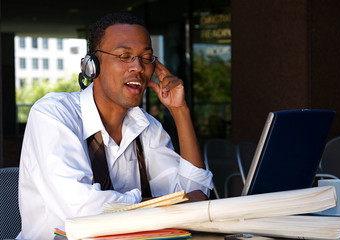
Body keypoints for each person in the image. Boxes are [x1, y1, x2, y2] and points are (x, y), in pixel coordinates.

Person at [17, 12, 213, 240]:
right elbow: (81, 211)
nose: (138, 67)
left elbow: (196, 196)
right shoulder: (53, 115)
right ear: (92, 66)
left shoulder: (146, 127)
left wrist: (180, 112)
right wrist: (159, 205)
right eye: (124, 56)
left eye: (146, 57)